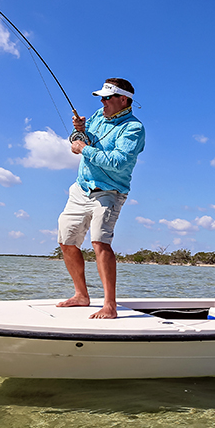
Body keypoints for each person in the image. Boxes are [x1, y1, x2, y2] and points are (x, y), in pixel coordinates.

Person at [56, 78, 145, 319]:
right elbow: (78, 140)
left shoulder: (133, 129)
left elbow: (118, 163)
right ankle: (81, 295)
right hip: (81, 188)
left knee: (99, 242)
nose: (102, 102)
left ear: (123, 100)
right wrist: (80, 131)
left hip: (109, 191)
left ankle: (109, 305)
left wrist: (83, 148)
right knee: (66, 240)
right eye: (101, 98)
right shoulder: (97, 116)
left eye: (107, 97)